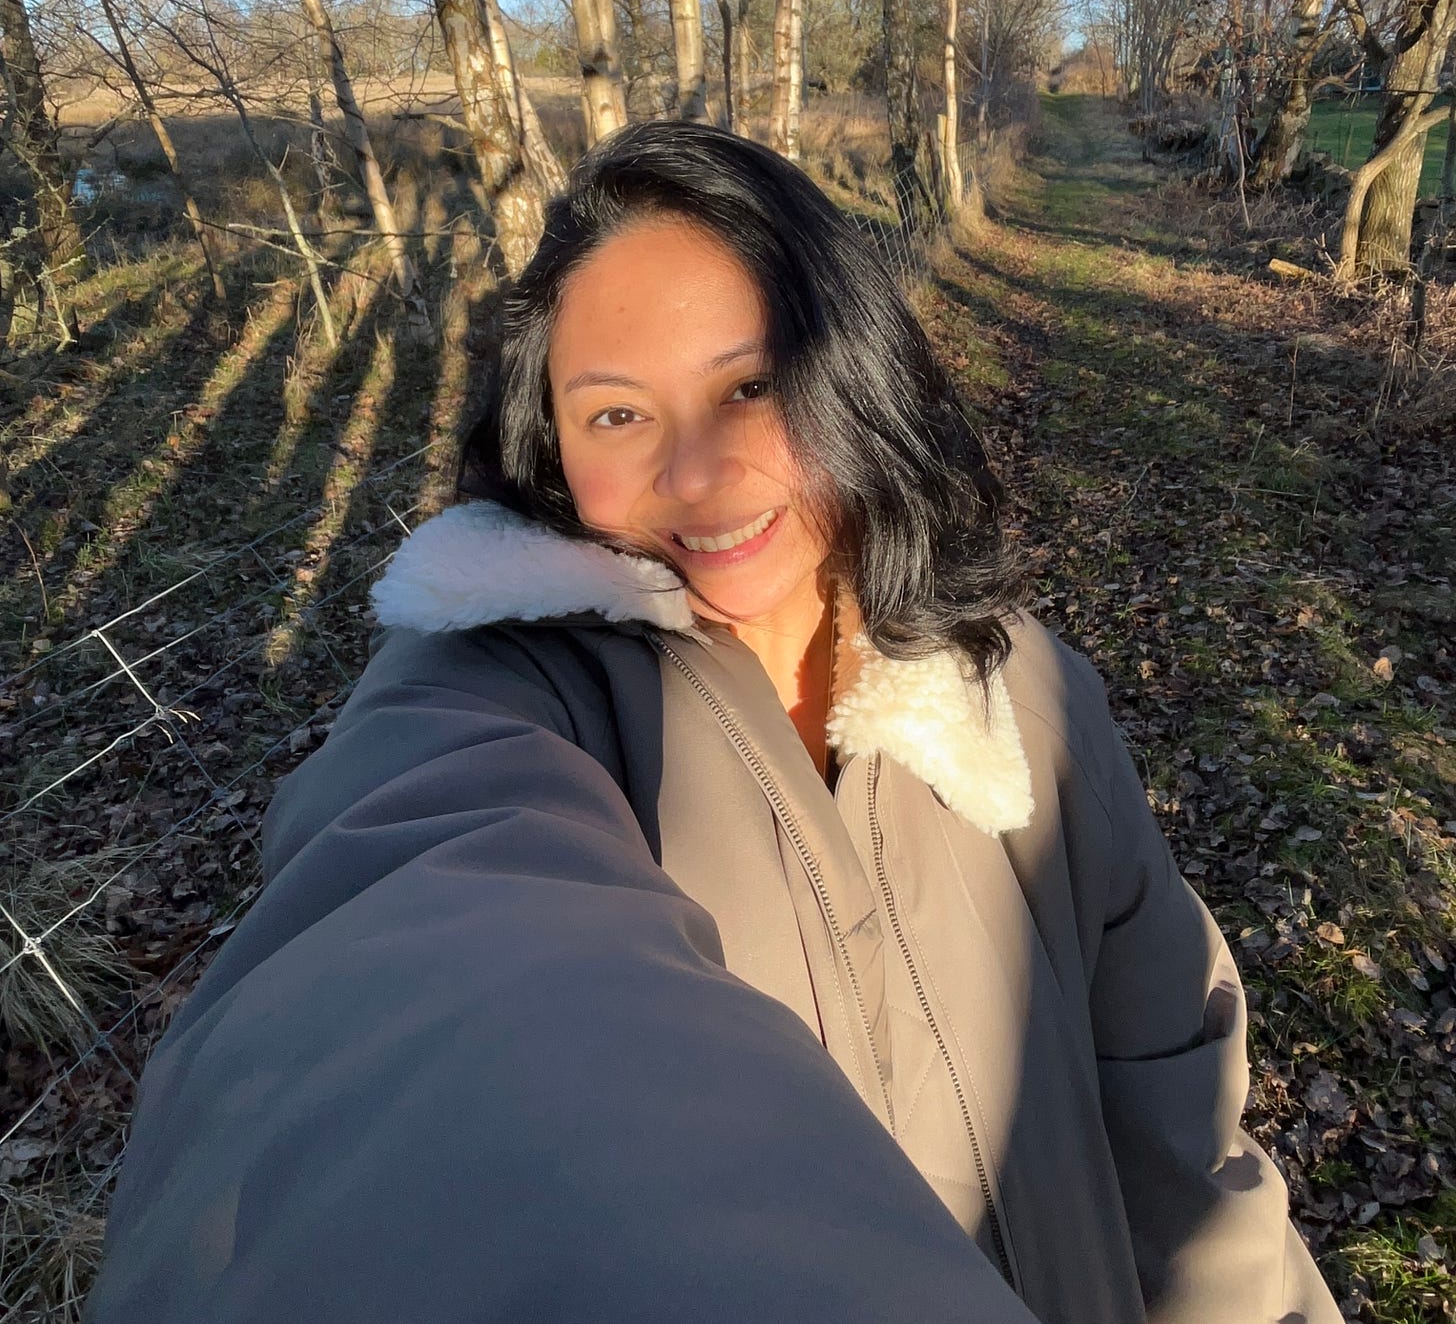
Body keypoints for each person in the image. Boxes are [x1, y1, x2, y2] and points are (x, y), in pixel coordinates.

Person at [88, 121, 1341, 1324]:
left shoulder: (1023, 695)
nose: (696, 475)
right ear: (549, 445)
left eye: (752, 383)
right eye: (617, 413)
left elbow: (1178, 1119)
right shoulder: (497, 706)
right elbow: (405, 990)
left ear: (855, 373)